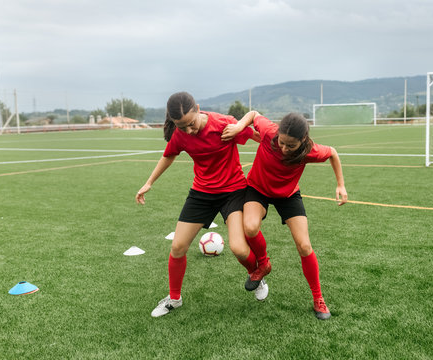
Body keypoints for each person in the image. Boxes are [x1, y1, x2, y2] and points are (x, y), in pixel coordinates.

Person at [135, 92, 268, 318]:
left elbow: (260, 137)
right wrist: (149, 182)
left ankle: (257, 275)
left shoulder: (223, 124)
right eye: (182, 126)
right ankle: (174, 299)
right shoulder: (180, 134)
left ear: (197, 108)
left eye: (191, 124)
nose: (189, 131)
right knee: (177, 247)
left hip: (233, 191)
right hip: (202, 193)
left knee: (238, 248)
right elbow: (169, 155)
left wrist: (278, 147)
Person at [222, 112, 347, 320]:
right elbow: (253, 115)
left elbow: (333, 153)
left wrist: (341, 184)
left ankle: (318, 298)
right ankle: (263, 264)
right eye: (282, 143)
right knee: (250, 227)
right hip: (257, 189)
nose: (284, 149)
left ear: (303, 141)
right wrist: (238, 126)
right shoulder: (270, 130)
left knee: (305, 246)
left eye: (291, 146)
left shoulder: (311, 151)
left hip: (288, 195)